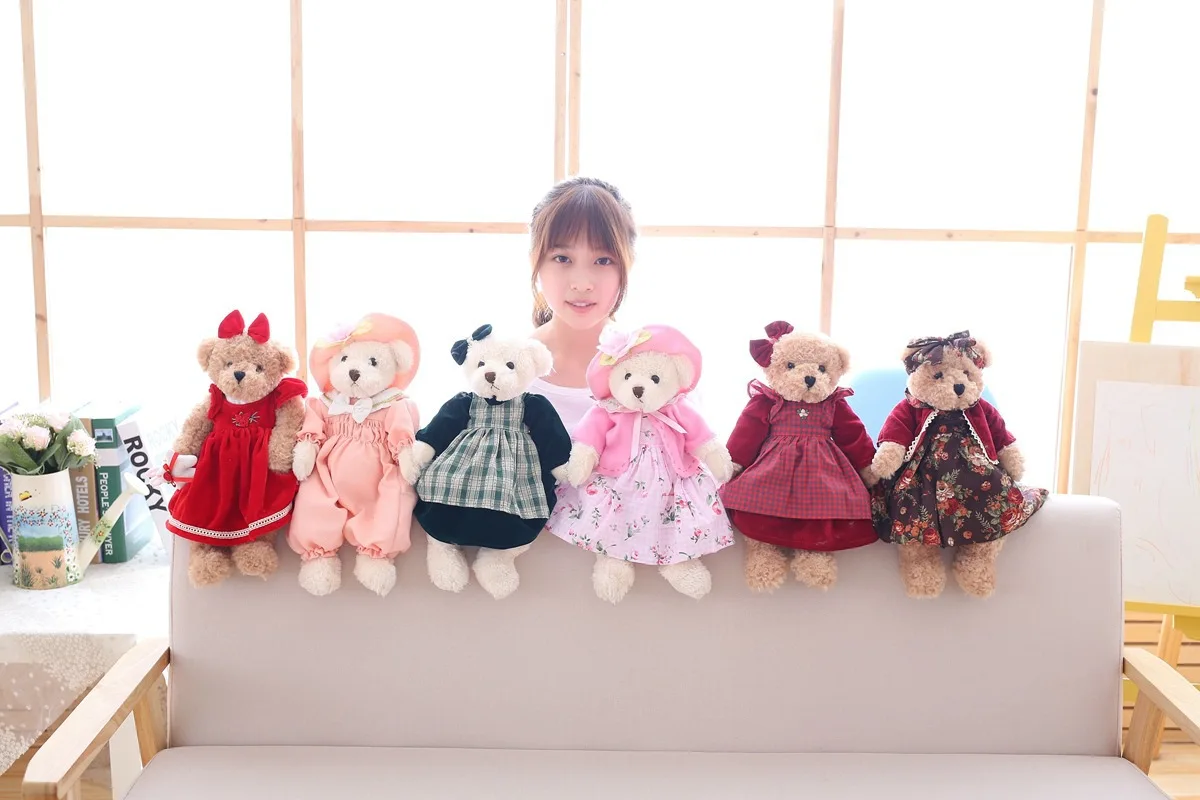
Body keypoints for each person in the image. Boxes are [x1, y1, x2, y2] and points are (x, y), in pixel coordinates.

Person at [527, 176, 638, 432]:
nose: (581, 283)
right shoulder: (502, 371)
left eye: (603, 260)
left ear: (628, 263)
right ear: (535, 261)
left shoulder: (659, 372)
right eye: (562, 258)